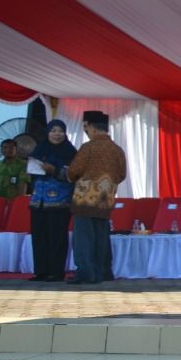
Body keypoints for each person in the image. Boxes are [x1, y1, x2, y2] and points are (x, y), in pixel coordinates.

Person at [66, 110, 126, 286]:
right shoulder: (117, 150)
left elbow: (73, 171)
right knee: (101, 237)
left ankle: (85, 273)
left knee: (84, 238)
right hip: (105, 200)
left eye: (86, 127)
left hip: (85, 199)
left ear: (91, 127)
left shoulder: (88, 147)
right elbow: (121, 175)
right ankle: (101, 272)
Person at [27, 120, 77, 283]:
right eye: (53, 131)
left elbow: (72, 176)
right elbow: (32, 173)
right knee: (39, 236)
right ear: (47, 133)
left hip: (59, 202)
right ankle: (41, 271)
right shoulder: (39, 149)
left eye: (60, 131)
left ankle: (56, 272)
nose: (57, 134)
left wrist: (54, 170)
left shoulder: (70, 152)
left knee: (57, 237)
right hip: (38, 201)